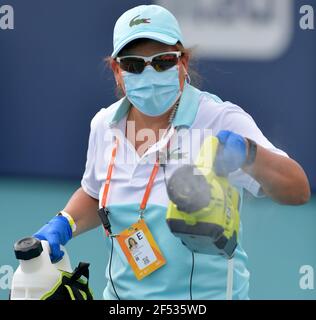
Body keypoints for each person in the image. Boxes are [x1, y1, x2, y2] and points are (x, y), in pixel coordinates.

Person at [34, 4, 310, 300]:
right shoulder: (104, 124)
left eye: (163, 61)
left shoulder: (219, 120)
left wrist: (248, 154)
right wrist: (65, 221)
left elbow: (297, 190)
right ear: (117, 70)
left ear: (183, 62)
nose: (150, 72)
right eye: (134, 65)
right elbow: (94, 192)